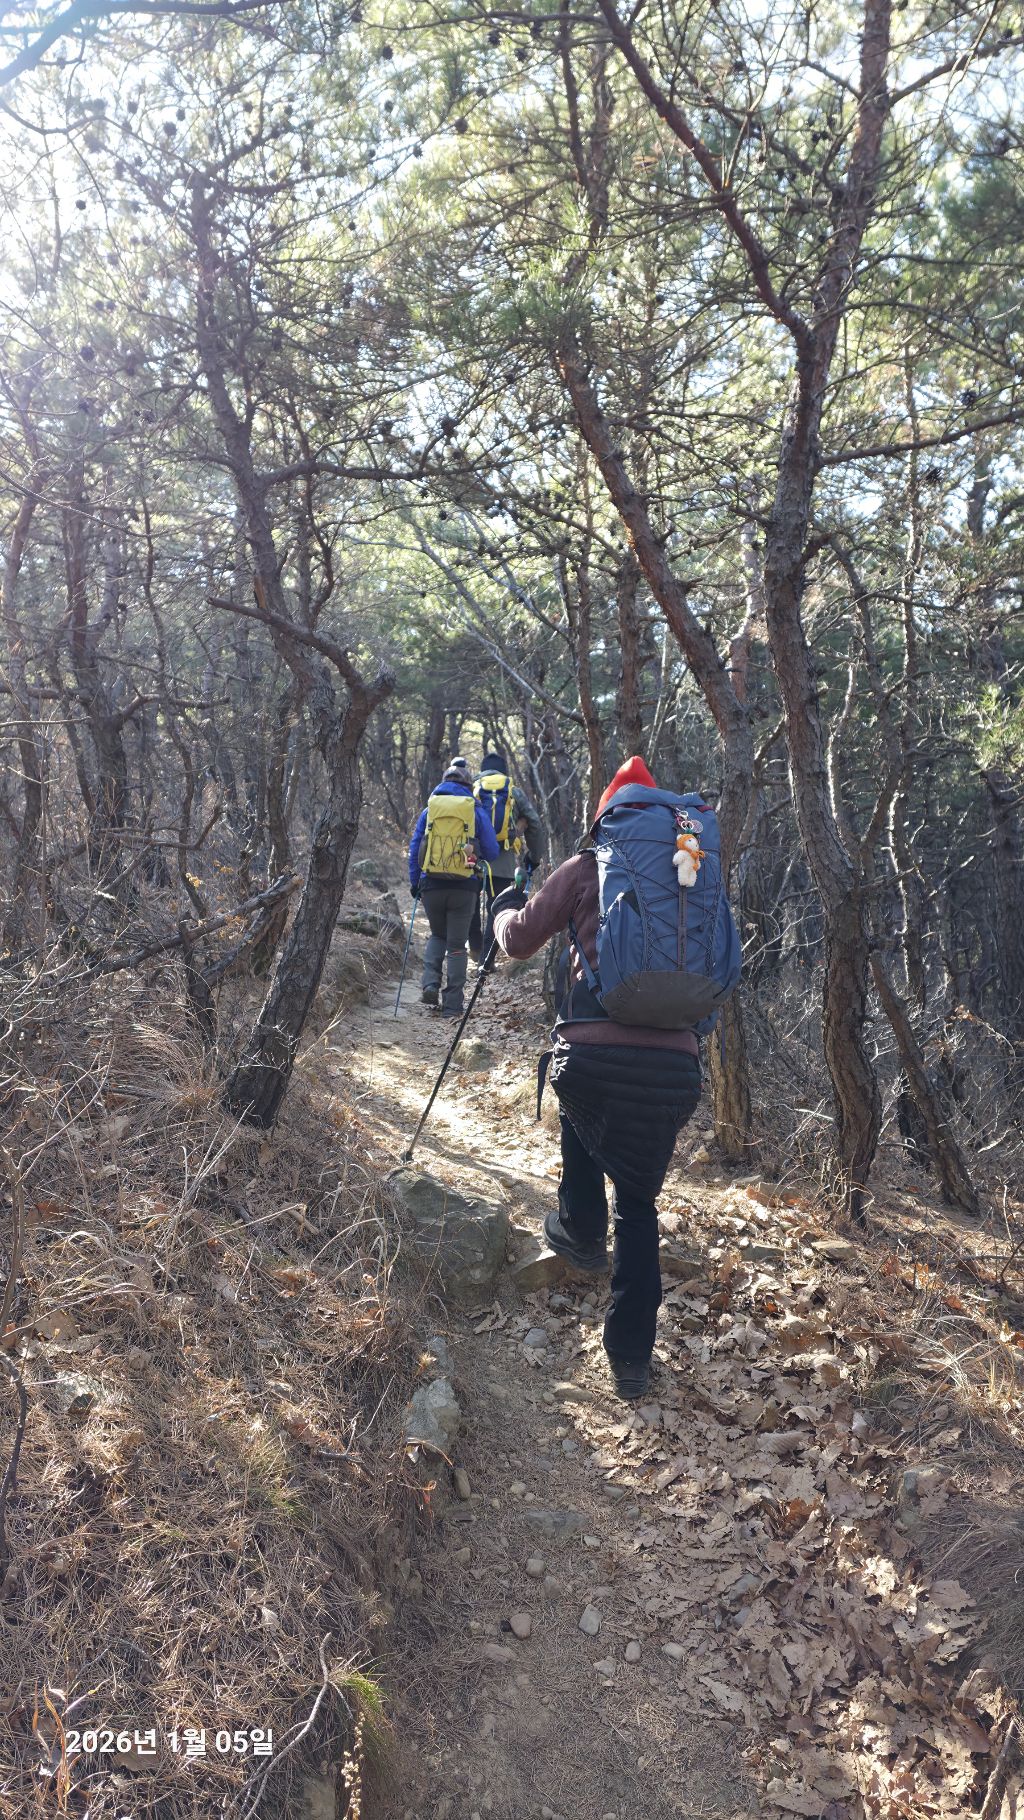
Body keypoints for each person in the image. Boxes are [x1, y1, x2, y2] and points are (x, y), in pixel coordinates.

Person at [490, 756, 740, 1402]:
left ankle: (579, 1228)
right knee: (639, 1204)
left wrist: (501, 910)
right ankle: (630, 1361)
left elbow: (518, 941)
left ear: (607, 814)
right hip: (674, 1068)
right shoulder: (691, 875)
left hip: (591, 1056)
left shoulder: (586, 867)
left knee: (581, 1092)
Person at [408, 758, 500, 1017]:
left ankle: (430, 984)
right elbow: (492, 851)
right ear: (469, 785)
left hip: (431, 884)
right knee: (457, 945)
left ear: (443, 782)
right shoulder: (474, 810)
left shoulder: (430, 810)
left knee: (438, 935)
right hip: (464, 887)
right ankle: (452, 1006)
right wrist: (475, 854)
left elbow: (415, 848)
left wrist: (415, 882)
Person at [468, 749, 545, 971]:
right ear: (504, 771)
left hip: (472, 856)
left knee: (470, 904)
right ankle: (486, 960)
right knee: (496, 906)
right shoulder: (513, 792)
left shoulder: (471, 790)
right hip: (503, 859)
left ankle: (474, 946)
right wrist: (534, 856)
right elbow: (534, 823)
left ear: (482, 770)